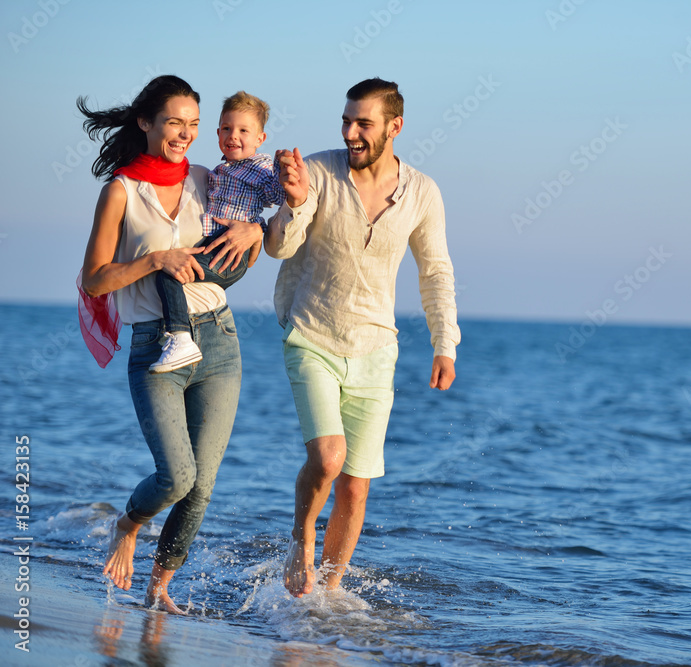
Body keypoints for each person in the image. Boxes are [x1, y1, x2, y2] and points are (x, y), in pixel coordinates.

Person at [265, 78, 460, 597]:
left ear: (395, 127)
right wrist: (294, 202)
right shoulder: (320, 172)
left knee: (355, 483)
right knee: (328, 458)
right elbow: (280, 249)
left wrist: (446, 343)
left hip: (377, 348)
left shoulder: (422, 192)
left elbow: (435, 271)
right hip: (312, 334)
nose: (351, 132)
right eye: (347, 121)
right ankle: (302, 533)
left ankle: (327, 597)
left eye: (364, 124)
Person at [78, 75, 264, 613]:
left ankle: (160, 589)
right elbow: (94, 279)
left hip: (220, 343)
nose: (185, 134)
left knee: (201, 485)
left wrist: (255, 231)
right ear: (146, 122)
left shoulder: (210, 179)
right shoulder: (121, 191)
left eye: (194, 125)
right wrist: (156, 259)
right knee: (176, 476)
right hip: (155, 347)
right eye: (174, 123)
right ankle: (128, 522)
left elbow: (256, 231)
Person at [150, 90, 284, 374]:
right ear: (218, 132)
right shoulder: (220, 169)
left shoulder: (260, 168)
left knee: (169, 270)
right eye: (227, 128)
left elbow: (278, 195)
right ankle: (181, 329)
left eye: (243, 130)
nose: (233, 135)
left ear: (260, 139)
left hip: (231, 252)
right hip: (213, 246)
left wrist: (284, 172)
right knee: (179, 274)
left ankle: (180, 337)